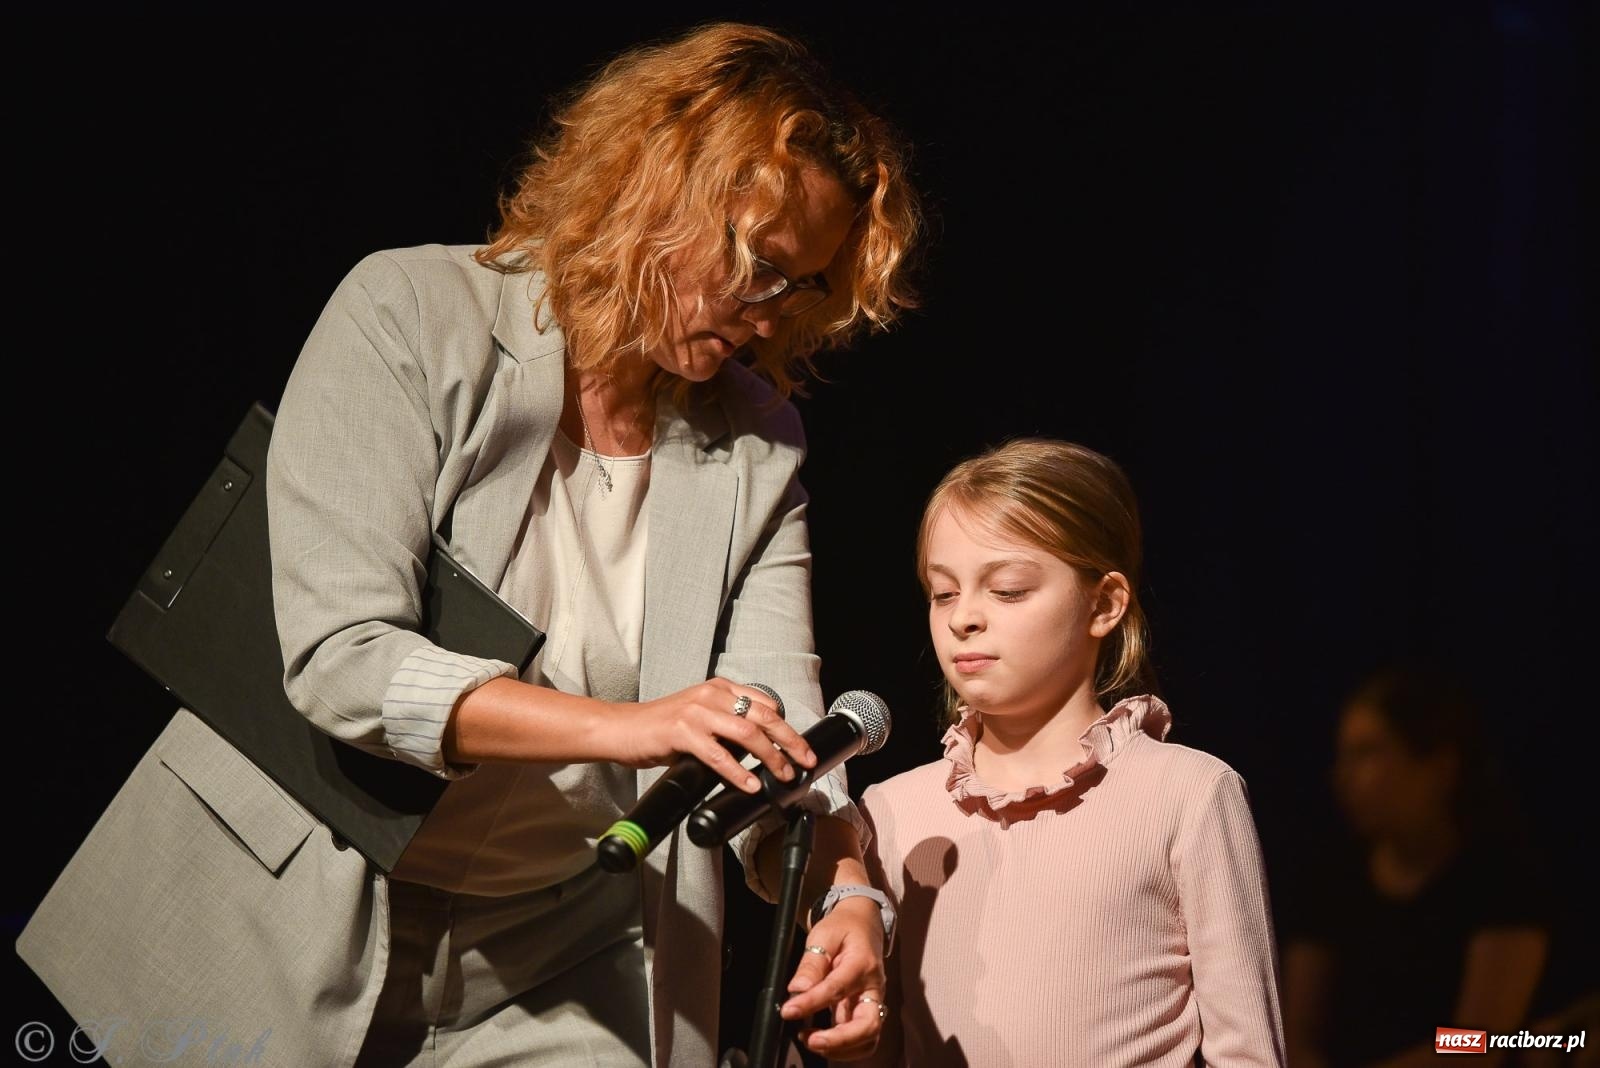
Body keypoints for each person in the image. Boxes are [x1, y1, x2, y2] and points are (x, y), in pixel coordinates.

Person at [18, 22, 921, 1067]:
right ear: (658, 186)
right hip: (295, 906)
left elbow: (776, 714)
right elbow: (342, 660)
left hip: (558, 949)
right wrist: (626, 727)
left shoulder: (755, 440)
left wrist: (844, 889)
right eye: (760, 267)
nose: (770, 320)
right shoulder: (409, 313)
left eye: (801, 289)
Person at [845, 438, 1285, 1067]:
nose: (964, 616)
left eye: (1009, 590)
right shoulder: (892, 812)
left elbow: (1248, 1052)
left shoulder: (1188, 793)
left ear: (1103, 604)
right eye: (943, 593)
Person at [1281, 664, 1553, 1068]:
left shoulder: (1500, 881)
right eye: (1344, 755)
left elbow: (1480, 1041)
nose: (1343, 776)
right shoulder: (1331, 881)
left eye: (1368, 753)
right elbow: (1297, 1034)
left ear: (1440, 767)